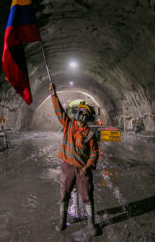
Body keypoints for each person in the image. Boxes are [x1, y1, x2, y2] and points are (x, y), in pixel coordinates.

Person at [49, 82, 100, 236]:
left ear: (87, 118)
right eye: (80, 116)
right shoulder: (68, 125)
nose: (81, 120)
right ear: (77, 116)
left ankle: (91, 224)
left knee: (87, 196)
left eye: (84, 117)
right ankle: (62, 220)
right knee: (64, 194)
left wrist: (89, 165)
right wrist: (53, 94)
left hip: (83, 170)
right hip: (68, 167)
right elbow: (59, 111)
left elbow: (94, 152)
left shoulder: (90, 134)